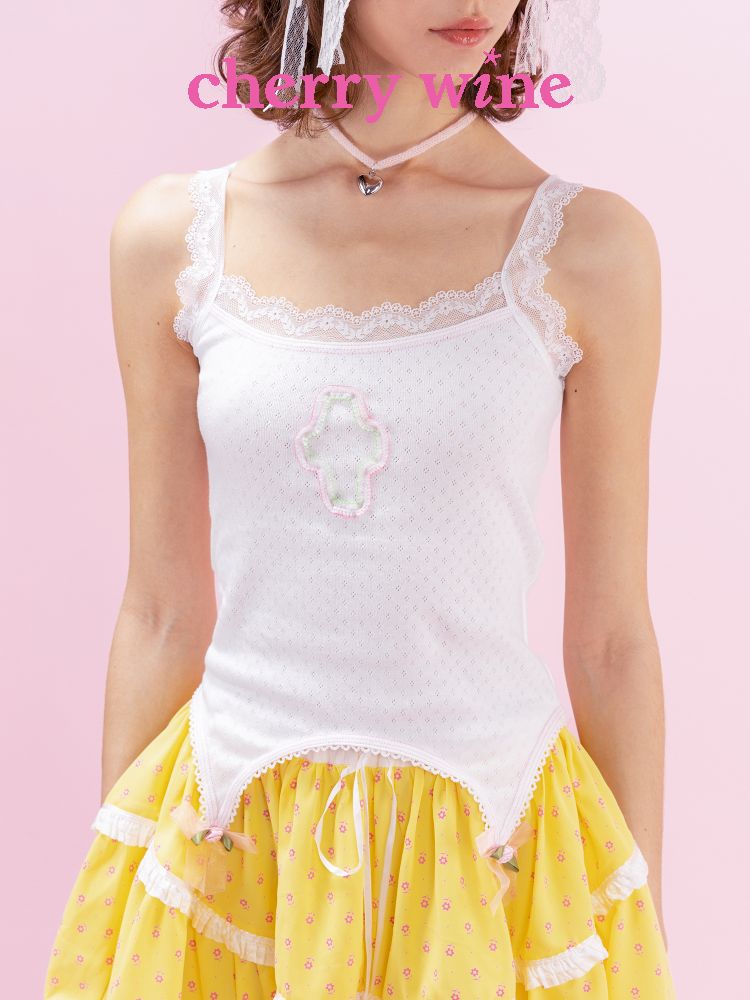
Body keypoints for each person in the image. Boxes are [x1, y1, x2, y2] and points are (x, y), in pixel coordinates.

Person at [45, 1, 677, 997]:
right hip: (236, 846)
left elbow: (611, 641)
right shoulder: (174, 238)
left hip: (489, 853)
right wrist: (119, 884)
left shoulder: (589, 246)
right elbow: (161, 610)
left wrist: (636, 924)